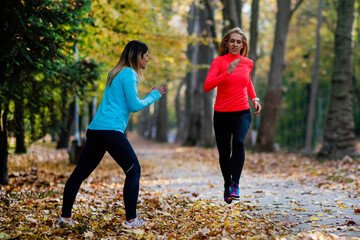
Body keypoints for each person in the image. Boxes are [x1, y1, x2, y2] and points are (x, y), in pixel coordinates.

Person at [58, 40, 167, 227]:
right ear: (137, 56)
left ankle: (65, 217)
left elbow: (120, 102)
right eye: (146, 55)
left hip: (96, 129)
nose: (148, 59)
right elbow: (133, 106)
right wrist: (154, 95)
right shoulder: (129, 73)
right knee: (134, 170)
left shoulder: (114, 72)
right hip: (110, 130)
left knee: (79, 174)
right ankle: (131, 219)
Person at [204, 27, 261, 204]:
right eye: (232, 41)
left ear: (243, 44)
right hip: (221, 113)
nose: (235, 44)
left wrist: (254, 98)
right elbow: (207, 86)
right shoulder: (219, 62)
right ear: (226, 43)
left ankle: (235, 183)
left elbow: (247, 81)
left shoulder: (248, 62)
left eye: (239, 41)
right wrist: (226, 72)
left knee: (239, 142)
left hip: (242, 111)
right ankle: (227, 184)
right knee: (223, 153)